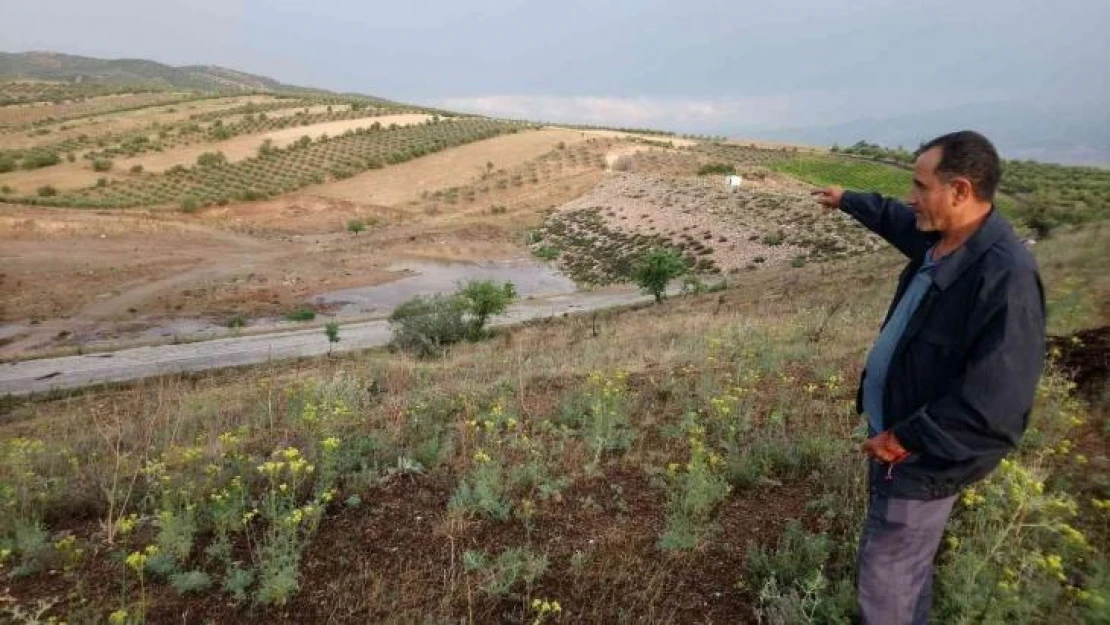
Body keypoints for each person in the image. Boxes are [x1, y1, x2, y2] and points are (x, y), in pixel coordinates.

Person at [812, 130, 1046, 625]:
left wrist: (904, 438)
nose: (910, 198)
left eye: (920, 187)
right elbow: (898, 220)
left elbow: (997, 407)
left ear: (960, 190)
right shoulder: (943, 238)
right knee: (905, 574)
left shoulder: (1005, 278)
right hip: (901, 446)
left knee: (886, 587)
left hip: (921, 462)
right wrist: (849, 199)